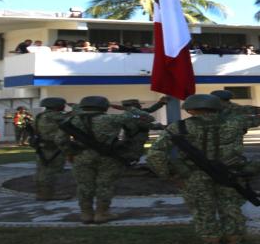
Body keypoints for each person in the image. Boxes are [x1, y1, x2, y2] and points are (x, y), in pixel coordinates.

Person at [147, 94, 260, 244]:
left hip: (195, 177)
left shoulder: (179, 127)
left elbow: (154, 154)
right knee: (231, 210)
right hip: (230, 174)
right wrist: (229, 106)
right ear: (218, 107)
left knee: (203, 212)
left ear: (190, 110)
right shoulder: (236, 122)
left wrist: (169, 175)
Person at [49, 96, 153, 224]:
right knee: (105, 185)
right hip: (109, 157)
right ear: (104, 106)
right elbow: (148, 118)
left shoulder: (71, 120)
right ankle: (102, 213)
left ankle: (86, 214)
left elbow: (59, 140)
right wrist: (129, 108)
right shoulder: (112, 119)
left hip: (82, 156)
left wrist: (70, 153)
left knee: (84, 186)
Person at [31, 98, 71, 201]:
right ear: (57, 106)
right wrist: (75, 106)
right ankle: (47, 195)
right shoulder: (56, 116)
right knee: (50, 171)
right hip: (53, 148)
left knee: (42, 170)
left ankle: (41, 193)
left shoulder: (40, 116)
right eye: (63, 105)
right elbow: (74, 116)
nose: (64, 107)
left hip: (42, 147)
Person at [114, 97, 169, 164]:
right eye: (138, 105)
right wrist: (163, 126)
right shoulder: (131, 116)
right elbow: (146, 125)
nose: (140, 106)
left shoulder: (137, 113)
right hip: (134, 140)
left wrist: (160, 103)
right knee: (133, 156)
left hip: (137, 139)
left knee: (136, 155)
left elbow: (150, 109)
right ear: (133, 106)